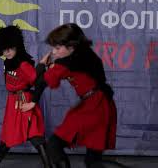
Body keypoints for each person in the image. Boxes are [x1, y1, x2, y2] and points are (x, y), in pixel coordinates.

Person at [21, 23, 117, 168]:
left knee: (54, 145)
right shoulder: (86, 53)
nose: (53, 52)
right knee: (93, 160)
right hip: (104, 105)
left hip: (94, 107)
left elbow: (40, 80)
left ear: (71, 47)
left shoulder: (66, 63)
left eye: (58, 48)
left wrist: (41, 66)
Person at [0, 25, 52, 168]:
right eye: (4, 49)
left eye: (10, 48)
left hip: (23, 100)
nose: (7, 52)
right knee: (9, 132)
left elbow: (34, 77)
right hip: (13, 101)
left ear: (16, 46)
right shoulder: (8, 62)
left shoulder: (22, 63)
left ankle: (48, 165)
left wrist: (42, 65)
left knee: (34, 133)